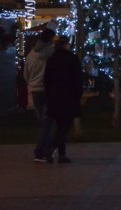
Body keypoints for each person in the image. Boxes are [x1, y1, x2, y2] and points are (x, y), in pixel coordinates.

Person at [43, 34, 83, 164]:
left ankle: (61, 154)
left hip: (55, 96)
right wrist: (78, 93)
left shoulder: (52, 59)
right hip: (69, 96)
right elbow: (77, 78)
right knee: (65, 126)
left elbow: (47, 79)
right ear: (66, 45)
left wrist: (49, 93)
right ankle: (50, 149)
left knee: (60, 125)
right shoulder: (71, 58)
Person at [23, 28, 55, 163]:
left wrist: (32, 83)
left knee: (43, 122)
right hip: (48, 90)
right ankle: (41, 151)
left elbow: (26, 75)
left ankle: (45, 150)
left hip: (35, 90)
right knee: (47, 122)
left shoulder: (30, 55)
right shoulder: (52, 53)